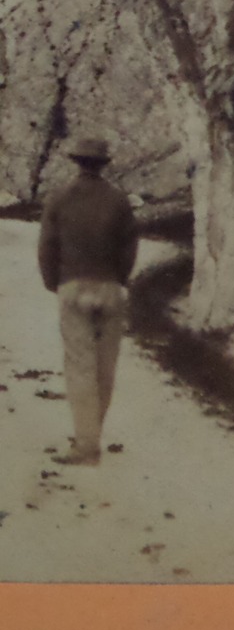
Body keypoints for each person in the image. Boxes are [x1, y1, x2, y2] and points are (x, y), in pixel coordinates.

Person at [37, 136, 139, 467]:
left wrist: (55, 282)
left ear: (76, 162)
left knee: (79, 366)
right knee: (104, 367)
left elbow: (47, 247)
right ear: (103, 164)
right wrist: (118, 279)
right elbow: (129, 247)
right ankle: (91, 436)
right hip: (109, 288)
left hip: (73, 287)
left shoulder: (59, 197)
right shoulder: (119, 200)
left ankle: (86, 444)